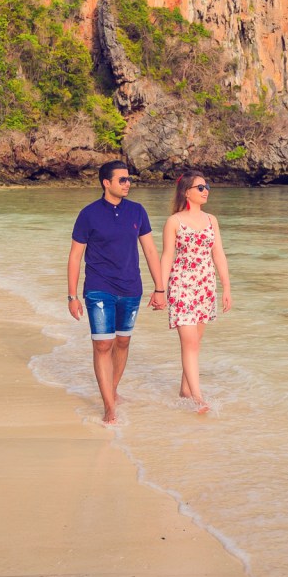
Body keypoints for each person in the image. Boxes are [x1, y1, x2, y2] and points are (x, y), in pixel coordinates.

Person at [67, 160, 166, 425]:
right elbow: (76, 257)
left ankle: (112, 390)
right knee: (103, 344)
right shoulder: (88, 214)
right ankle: (109, 407)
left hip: (131, 288)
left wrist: (160, 288)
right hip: (99, 288)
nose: (128, 184)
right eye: (122, 180)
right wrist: (72, 295)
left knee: (122, 342)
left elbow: (150, 251)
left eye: (129, 179)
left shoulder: (137, 211)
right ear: (106, 183)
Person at [159, 170, 232, 414]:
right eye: (200, 187)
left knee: (195, 342)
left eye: (207, 186)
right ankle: (198, 397)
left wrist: (226, 287)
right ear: (186, 192)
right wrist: (160, 288)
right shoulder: (174, 222)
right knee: (189, 342)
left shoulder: (212, 220)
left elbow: (218, 253)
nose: (206, 190)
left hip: (205, 285)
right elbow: (167, 255)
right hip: (182, 285)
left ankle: (185, 389)